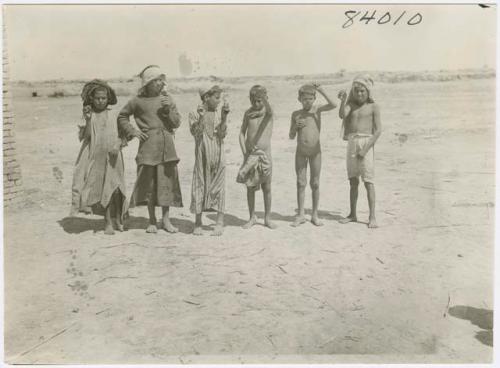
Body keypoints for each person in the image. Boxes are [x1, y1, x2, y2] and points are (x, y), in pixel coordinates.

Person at [117, 65, 183, 234]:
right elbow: (122, 116)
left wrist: (168, 110)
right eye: (157, 81)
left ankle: (166, 220)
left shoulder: (167, 99)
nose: (161, 83)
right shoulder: (137, 101)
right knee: (150, 184)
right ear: (148, 83)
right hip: (148, 148)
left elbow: (176, 123)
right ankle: (152, 220)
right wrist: (134, 132)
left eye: (162, 80)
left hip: (167, 146)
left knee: (166, 183)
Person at [70, 79, 127, 235]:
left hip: (113, 155)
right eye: (97, 98)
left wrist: (118, 145)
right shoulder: (89, 115)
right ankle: (108, 221)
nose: (101, 101)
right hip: (95, 156)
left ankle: (118, 218)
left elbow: (124, 135)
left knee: (116, 188)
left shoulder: (114, 114)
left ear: (108, 99)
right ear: (91, 99)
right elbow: (86, 137)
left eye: (104, 98)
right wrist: (88, 119)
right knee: (102, 188)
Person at [338, 75, 382, 228]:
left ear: (368, 91)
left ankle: (372, 216)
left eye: (362, 91)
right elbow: (342, 114)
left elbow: (378, 131)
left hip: (366, 143)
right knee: (353, 180)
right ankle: (352, 214)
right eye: (356, 91)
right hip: (352, 142)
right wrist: (343, 100)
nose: (360, 94)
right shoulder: (351, 104)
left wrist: (365, 149)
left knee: (368, 181)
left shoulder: (373, 107)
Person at [289, 83, 336, 227]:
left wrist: (321, 90)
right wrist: (295, 127)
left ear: (314, 98)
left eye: (310, 98)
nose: (307, 101)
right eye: (304, 99)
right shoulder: (296, 114)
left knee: (315, 183)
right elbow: (291, 136)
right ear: (299, 99)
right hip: (301, 153)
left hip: (316, 152)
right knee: (300, 183)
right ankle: (301, 214)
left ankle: (314, 215)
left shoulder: (317, 110)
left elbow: (333, 104)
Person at [189, 86, 230, 236]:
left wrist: (224, 118)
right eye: (217, 98)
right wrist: (201, 117)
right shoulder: (194, 113)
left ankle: (219, 222)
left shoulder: (219, 114)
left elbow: (222, 134)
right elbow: (196, 133)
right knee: (199, 184)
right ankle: (198, 222)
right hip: (202, 154)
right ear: (206, 97)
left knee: (219, 185)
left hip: (218, 153)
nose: (219, 101)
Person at [237, 85, 276, 229]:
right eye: (253, 101)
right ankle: (252, 217)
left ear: (265, 99)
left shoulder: (268, 113)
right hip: (251, 155)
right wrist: (244, 151)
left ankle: (267, 218)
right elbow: (241, 133)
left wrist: (263, 102)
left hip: (266, 155)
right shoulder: (248, 113)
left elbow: (269, 110)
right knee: (250, 187)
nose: (256, 104)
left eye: (260, 100)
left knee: (267, 186)